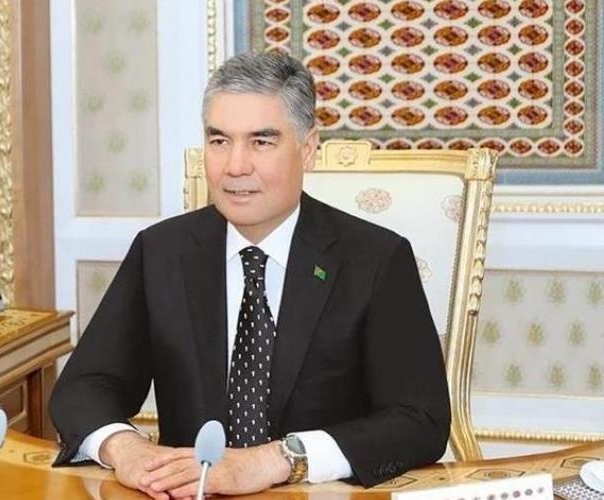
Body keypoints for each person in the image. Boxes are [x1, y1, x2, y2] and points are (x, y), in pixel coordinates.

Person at [49, 52, 450, 499]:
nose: (235, 166)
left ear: (308, 148)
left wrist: (278, 459)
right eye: (219, 141)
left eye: (261, 142)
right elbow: (84, 386)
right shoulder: (161, 251)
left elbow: (421, 420)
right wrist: (126, 449)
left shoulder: (375, 259)